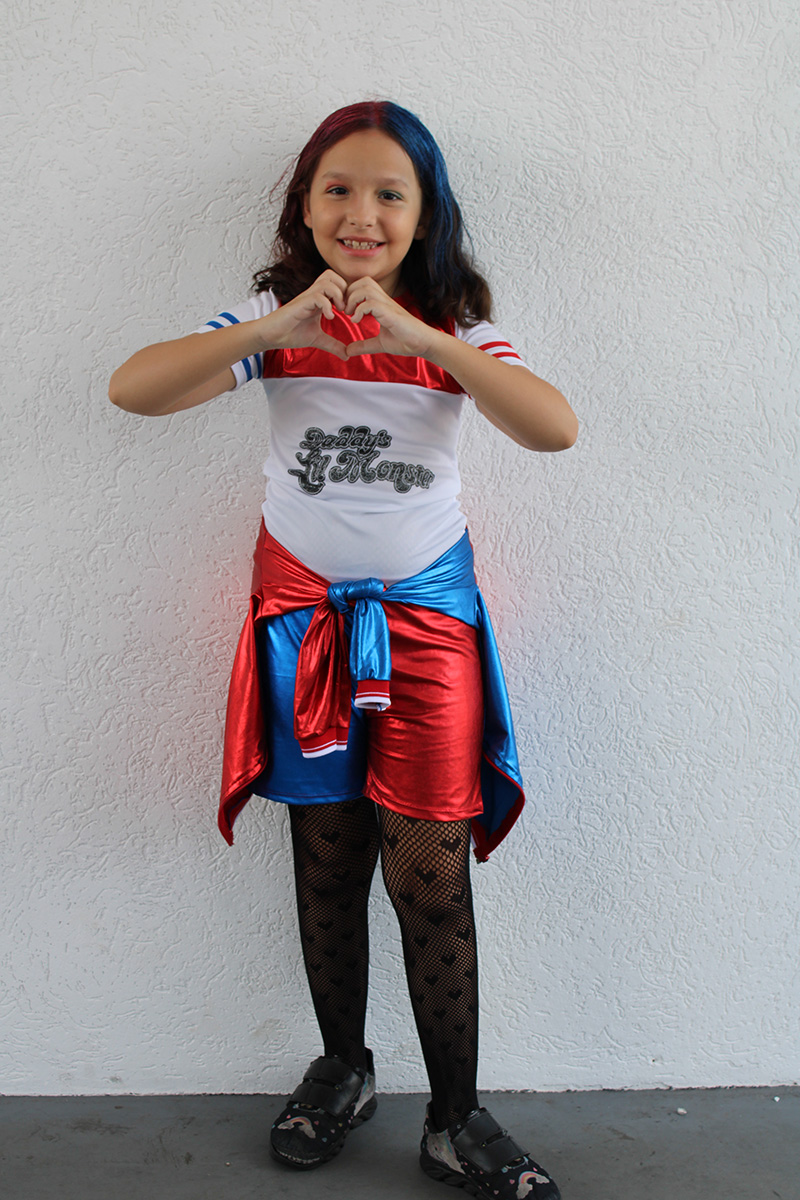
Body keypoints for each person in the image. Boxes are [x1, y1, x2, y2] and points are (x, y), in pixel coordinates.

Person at [110, 100, 577, 1200]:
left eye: (388, 193)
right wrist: (274, 331)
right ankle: (343, 1069)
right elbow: (134, 389)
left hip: (426, 632)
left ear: (425, 214)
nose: (361, 213)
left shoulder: (455, 328)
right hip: (303, 627)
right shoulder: (274, 320)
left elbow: (552, 427)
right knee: (325, 858)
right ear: (305, 206)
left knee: (429, 873)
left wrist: (424, 341)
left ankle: (456, 1120)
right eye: (338, 189)